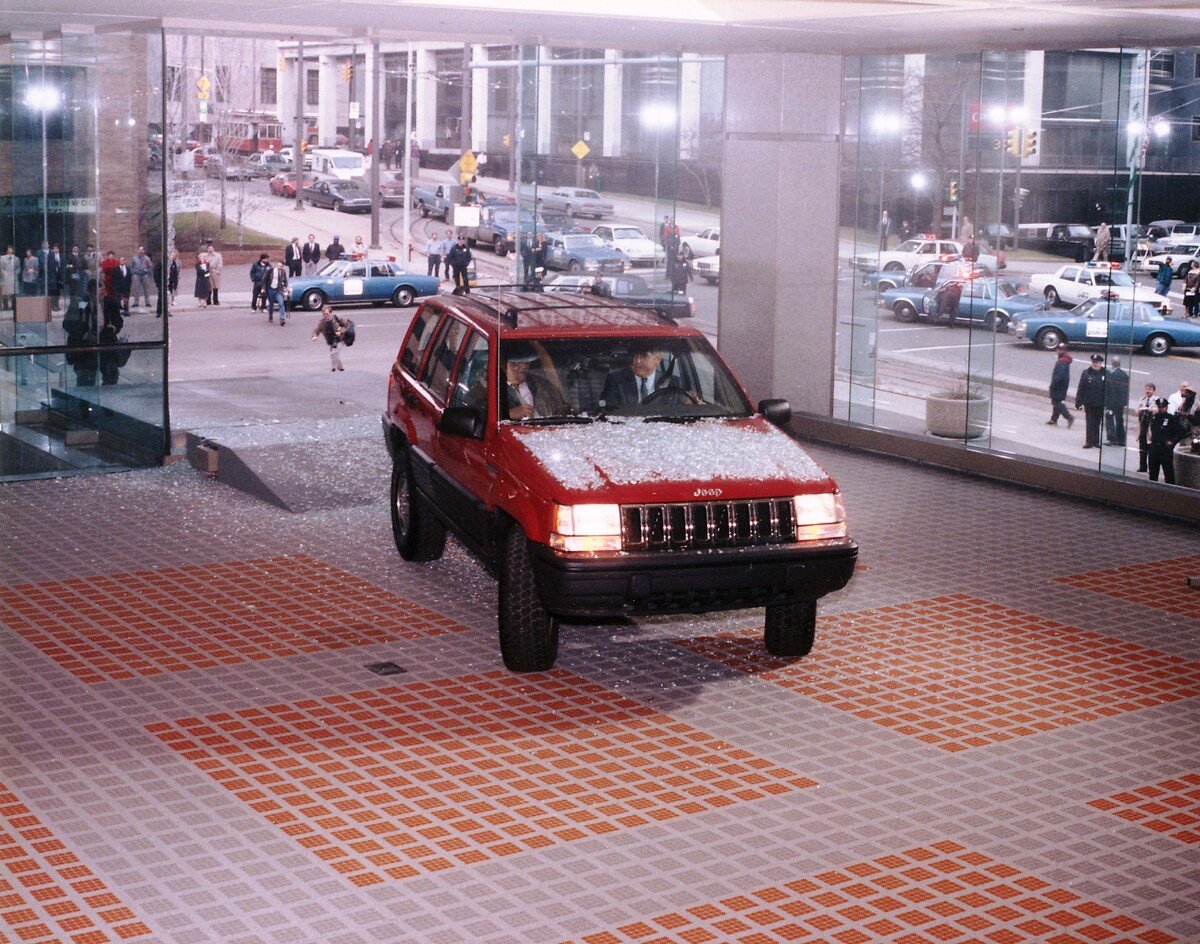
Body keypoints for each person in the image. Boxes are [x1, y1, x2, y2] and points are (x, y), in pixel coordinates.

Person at [601, 342, 667, 410]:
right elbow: (609, 411)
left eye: (644, 356)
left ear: (658, 359)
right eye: (634, 355)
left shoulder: (671, 383)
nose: (637, 361)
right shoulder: (616, 380)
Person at [503, 352, 566, 420]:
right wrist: (510, 414)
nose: (524, 366)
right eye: (516, 363)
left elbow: (562, 411)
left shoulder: (543, 385)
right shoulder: (496, 389)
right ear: (503, 364)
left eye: (526, 362)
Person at [1145, 397, 1187, 484]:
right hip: (1154, 448)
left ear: (1166, 407)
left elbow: (1182, 431)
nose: (1161, 409)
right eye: (1159, 407)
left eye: (1163, 407)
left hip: (1165, 449)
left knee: (1169, 475)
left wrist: (1173, 441)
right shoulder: (1154, 417)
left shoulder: (1171, 418)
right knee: (1153, 474)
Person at [1074, 353, 1107, 449]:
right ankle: (1089, 442)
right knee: (1090, 422)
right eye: (1093, 362)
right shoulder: (1086, 373)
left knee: (1097, 422)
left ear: (1101, 363)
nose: (1095, 364)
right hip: (1089, 402)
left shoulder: (1105, 373)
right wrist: (1078, 402)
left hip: (1100, 403)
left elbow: (1109, 389)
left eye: (1097, 362)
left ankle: (1096, 441)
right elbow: (1081, 388)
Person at [311, 304, 350, 371]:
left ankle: (334, 368)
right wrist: (314, 336)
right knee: (335, 353)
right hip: (331, 341)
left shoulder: (336, 318)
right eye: (324, 314)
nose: (325, 315)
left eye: (327, 314)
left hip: (340, 339)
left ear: (330, 312)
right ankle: (341, 368)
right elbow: (316, 330)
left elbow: (346, 325)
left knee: (334, 353)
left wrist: (340, 332)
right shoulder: (322, 322)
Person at [1104, 354, 1129, 446]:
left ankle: (1112, 438)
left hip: (1112, 401)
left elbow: (1109, 389)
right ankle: (1121, 439)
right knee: (1119, 419)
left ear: (1112, 364)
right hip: (1121, 402)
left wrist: (1106, 401)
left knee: (1109, 418)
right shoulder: (1125, 375)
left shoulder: (1111, 375)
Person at [1046, 343, 1074, 427]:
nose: (1057, 351)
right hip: (1062, 385)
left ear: (1063, 351)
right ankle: (1054, 419)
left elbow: (1059, 376)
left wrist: (1053, 384)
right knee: (1056, 401)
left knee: (1056, 402)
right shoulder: (1064, 360)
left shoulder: (1062, 362)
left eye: (1059, 349)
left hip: (1059, 385)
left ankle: (1069, 417)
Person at [1135, 382, 1157, 472]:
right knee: (1142, 449)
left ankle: (1152, 469)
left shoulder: (1156, 400)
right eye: (1147, 389)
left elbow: (1157, 410)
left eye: (1150, 389)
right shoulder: (1142, 399)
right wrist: (1141, 409)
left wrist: (1149, 409)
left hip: (1151, 428)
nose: (1148, 391)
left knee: (1151, 450)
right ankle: (1142, 467)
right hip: (1142, 428)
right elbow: (1136, 410)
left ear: (1153, 391)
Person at [262, 260, 289, 324]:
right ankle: (270, 316)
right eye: (278, 265)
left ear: (282, 267)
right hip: (270, 289)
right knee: (271, 304)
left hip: (278, 290)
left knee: (281, 303)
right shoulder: (270, 270)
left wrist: (287, 287)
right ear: (277, 265)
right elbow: (264, 279)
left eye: (281, 266)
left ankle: (282, 319)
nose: (279, 267)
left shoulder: (283, 272)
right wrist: (263, 288)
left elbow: (285, 281)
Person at [130, 246, 154, 311]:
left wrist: (147, 271)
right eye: (139, 250)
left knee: (146, 289)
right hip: (137, 275)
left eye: (142, 250)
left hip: (144, 275)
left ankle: (147, 302)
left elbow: (150, 266)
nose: (140, 251)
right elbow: (131, 266)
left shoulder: (147, 258)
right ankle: (136, 303)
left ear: (143, 251)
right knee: (136, 289)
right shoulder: (134, 258)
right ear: (138, 250)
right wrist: (134, 273)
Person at [1, 245, 17, 310]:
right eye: (9, 250)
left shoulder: (15, 258)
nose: (10, 251)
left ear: (12, 251)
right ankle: (5, 307)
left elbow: (18, 267)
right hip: (5, 277)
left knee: (12, 293)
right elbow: (1, 267)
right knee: (5, 293)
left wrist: (15, 273)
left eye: (11, 250)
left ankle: (13, 306)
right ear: (7, 250)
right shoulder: (2, 257)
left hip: (13, 277)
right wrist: (4, 274)